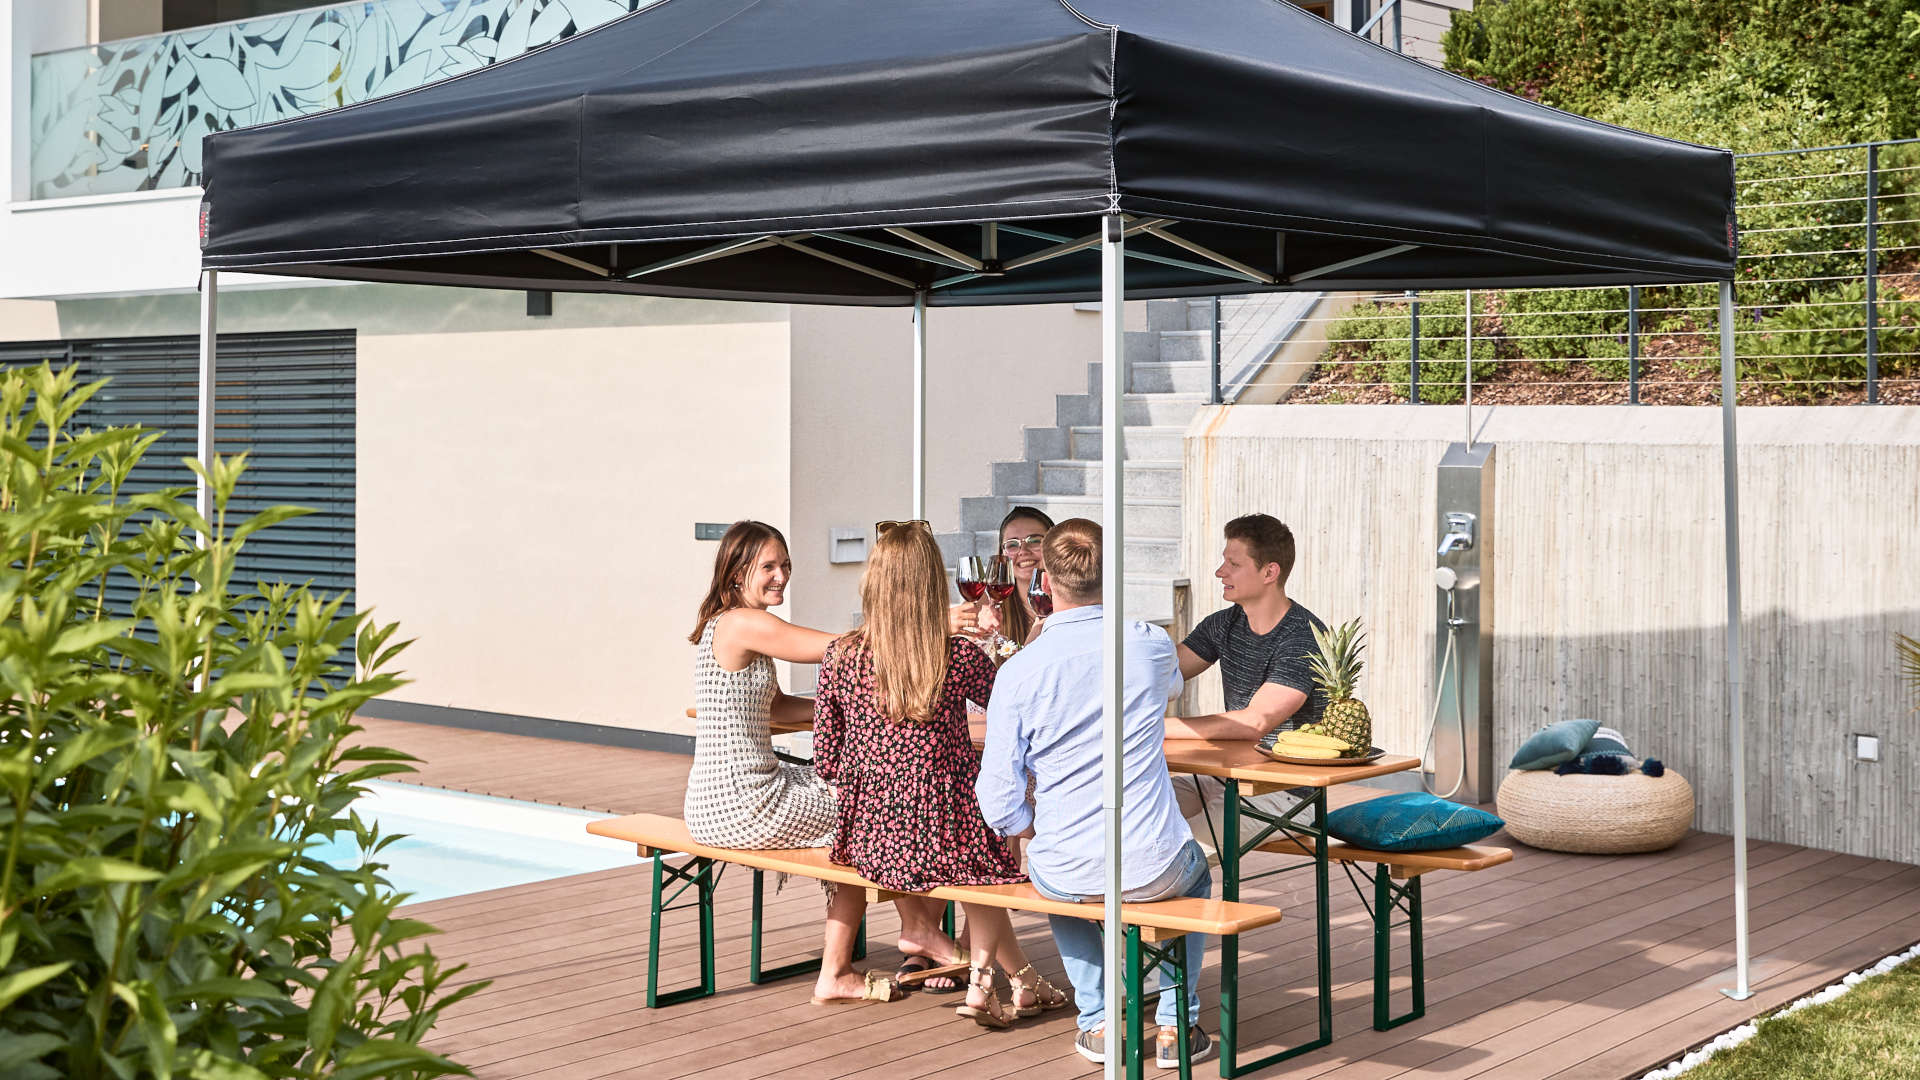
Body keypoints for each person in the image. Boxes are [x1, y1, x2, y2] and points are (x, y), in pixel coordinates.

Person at [684, 520, 959, 1003]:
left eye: (785, 565)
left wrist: (855, 707)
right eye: (767, 566)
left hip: (718, 797)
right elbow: (840, 649)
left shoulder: (725, 625)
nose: (781, 576)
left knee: (860, 793)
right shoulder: (744, 622)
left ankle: (884, 947)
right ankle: (901, 939)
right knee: (868, 811)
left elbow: (775, 708)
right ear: (735, 572)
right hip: (744, 803)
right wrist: (930, 625)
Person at [977, 518, 1216, 1068]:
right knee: (1196, 872)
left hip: (1063, 867)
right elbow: (1172, 684)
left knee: (1062, 877)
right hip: (1154, 865)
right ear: (1112, 572)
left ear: (1046, 578)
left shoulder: (1019, 670)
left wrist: (1026, 831)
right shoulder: (1150, 646)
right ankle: (1176, 1025)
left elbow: (996, 792)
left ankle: (1100, 1020)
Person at [813, 520, 1069, 1028]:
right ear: (934, 585)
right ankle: (997, 980)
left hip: (867, 835)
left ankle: (1023, 981)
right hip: (943, 829)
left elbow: (826, 759)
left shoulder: (840, 655)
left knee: (981, 857)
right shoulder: (954, 656)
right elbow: (1017, 700)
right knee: (989, 857)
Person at [1164, 513, 1330, 861]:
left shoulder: (1304, 637)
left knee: (1176, 854)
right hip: (1228, 778)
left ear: (1270, 572)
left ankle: (1175, 913)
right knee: (1127, 814)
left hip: (1290, 794)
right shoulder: (1224, 624)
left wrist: (1156, 727)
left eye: (1233, 563)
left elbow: (1255, 722)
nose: (1219, 572)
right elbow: (1162, 675)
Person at [992, 505, 1056, 645]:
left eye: (1034, 541)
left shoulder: (1073, 600)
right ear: (1002, 554)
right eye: (1012, 545)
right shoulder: (988, 609)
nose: (1023, 551)